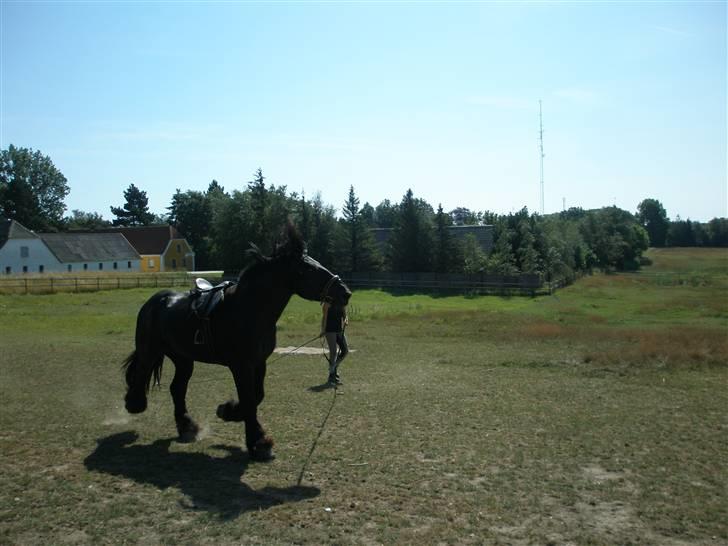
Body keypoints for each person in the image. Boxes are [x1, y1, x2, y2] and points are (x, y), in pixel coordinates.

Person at [321, 300, 349, 385]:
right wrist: (322, 330)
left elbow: (345, 315)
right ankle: (331, 376)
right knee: (333, 352)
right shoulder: (327, 304)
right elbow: (324, 317)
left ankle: (333, 368)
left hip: (339, 330)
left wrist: (346, 320)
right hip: (329, 330)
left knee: (345, 351)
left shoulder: (342, 302)